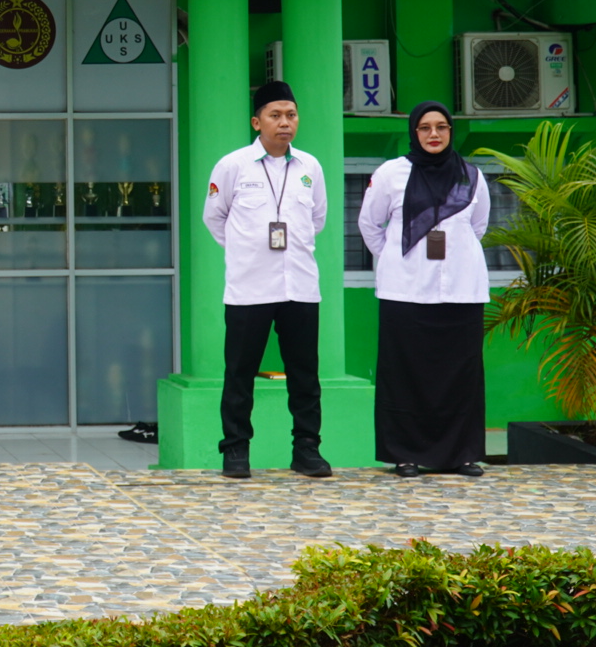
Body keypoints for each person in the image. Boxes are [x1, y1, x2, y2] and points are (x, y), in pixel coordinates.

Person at [202, 79, 331, 480]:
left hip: (300, 287)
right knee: (240, 374)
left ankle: (307, 450)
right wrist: (247, 252)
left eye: (291, 115)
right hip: (249, 289)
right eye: (275, 116)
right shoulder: (233, 165)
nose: (285, 123)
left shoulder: (310, 167)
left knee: (305, 375)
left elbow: (318, 219)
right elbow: (214, 218)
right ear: (257, 122)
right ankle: (235, 451)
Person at [357, 102, 491, 477]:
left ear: (451, 131)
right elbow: (370, 225)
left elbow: (477, 227)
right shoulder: (391, 173)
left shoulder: (471, 176)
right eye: (425, 128)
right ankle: (405, 455)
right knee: (405, 374)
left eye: (442, 127)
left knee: (459, 375)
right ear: (414, 132)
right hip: (405, 292)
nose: (434, 134)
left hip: (462, 291)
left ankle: (462, 454)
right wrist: (397, 262)